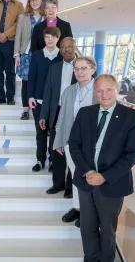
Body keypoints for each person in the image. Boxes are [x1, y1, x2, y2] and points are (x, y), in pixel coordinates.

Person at [68, 74, 135, 262]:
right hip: (85, 180)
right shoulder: (85, 113)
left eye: (109, 89)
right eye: (100, 90)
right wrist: (87, 171)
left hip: (112, 183)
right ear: (95, 92)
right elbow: (74, 144)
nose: (104, 94)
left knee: (108, 229)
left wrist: (104, 176)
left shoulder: (132, 117)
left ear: (117, 90)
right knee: (87, 226)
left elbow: (130, 155)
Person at [52, 56, 98, 227]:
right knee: (75, 176)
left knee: (90, 177)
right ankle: (77, 207)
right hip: (72, 142)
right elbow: (62, 117)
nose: (79, 72)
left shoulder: (99, 90)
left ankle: (89, 211)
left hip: (93, 143)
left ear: (92, 69)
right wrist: (59, 140)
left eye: (84, 68)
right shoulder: (69, 91)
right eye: (77, 69)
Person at [37, 37, 77, 192]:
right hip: (57, 113)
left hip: (75, 113)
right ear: (59, 49)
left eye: (69, 46)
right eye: (63, 47)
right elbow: (48, 93)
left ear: (75, 47)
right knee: (56, 151)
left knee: (72, 152)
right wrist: (43, 115)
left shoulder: (82, 67)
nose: (66, 49)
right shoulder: (54, 68)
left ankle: (70, 187)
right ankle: (58, 184)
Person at [27, 27, 62, 174]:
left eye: (53, 37)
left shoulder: (62, 55)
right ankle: (40, 160)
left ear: (57, 38)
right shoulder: (37, 55)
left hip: (56, 102)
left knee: (54, 132)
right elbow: (31, 77)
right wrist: (30, 96)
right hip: (39, 100)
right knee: (40, 132)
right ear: (44, 38)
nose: (50, 39)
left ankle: (53, 160)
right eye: (47, 36)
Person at [15, 0, 45, 120]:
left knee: (40, 82)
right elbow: (18, 37)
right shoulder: (23, 17)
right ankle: (25, 110)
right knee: (26, 83)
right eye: (32, 0)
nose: (35, 2)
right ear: (29, 2)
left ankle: (38, 109)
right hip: (26, 55)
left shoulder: (46, 18)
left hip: (42, 55)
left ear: (42, 1)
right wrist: (17, 54)